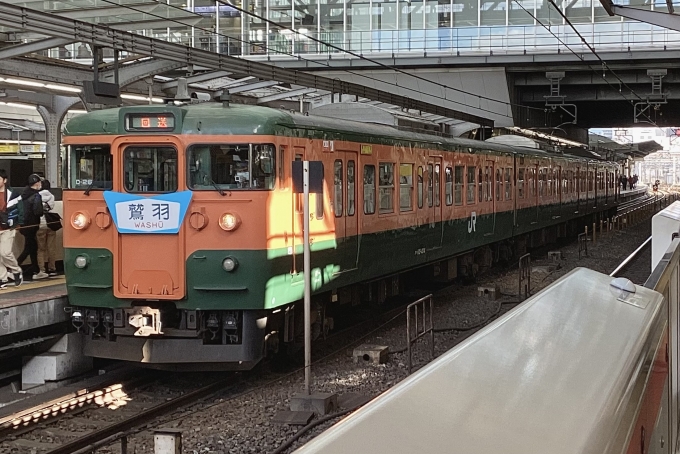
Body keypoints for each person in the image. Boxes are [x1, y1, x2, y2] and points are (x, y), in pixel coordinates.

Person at [16, 174, 43, 280]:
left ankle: (36, 270)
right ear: (37, 184)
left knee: (33, 248)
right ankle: (14, 268)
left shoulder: (23, 194)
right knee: (29, 248)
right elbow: (38, 211)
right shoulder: (36, 196)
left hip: (23, 225)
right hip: (32, 225)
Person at [0, 169, 22, 288]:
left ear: (5, 180)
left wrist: (19, 224)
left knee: (5, 252)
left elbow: (21, 209)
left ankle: (16, 270)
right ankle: (2, 278)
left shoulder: (13, 194)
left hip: (8, 228)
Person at [35, 178, 57, 279]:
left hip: (41, 223)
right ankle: (52, 268)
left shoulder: (37, 196)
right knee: (51, 247)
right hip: (51, 223)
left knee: (41, 248)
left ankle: (42, 269)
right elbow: (51, 207)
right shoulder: (51, 196)